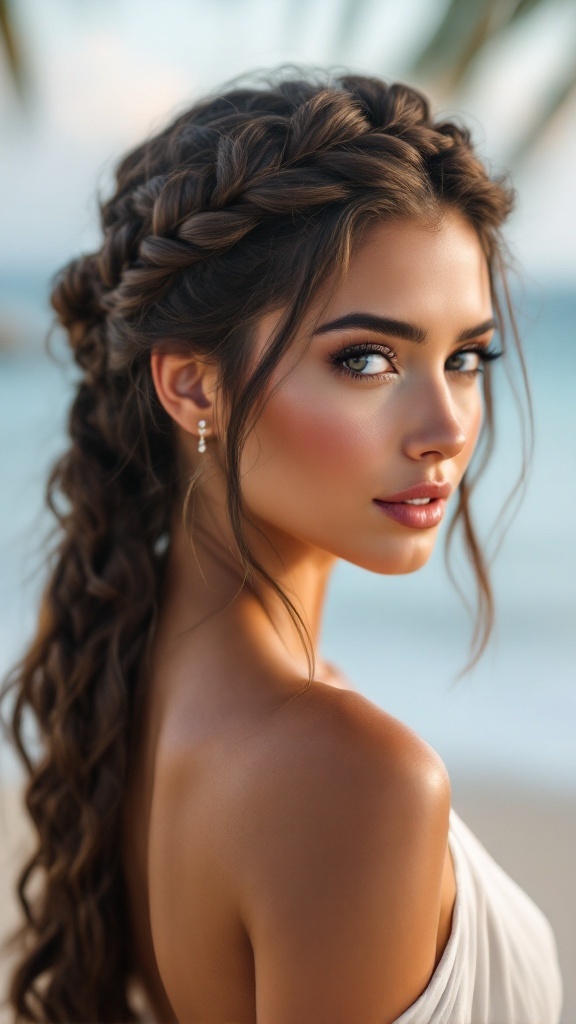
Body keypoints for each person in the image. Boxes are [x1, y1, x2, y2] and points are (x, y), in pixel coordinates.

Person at [2, 71, 563, 1024]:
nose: (446, 427)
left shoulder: (132, 687)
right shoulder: (350, 778)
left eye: (465, 357)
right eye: (367, 359)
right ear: (192, 389)